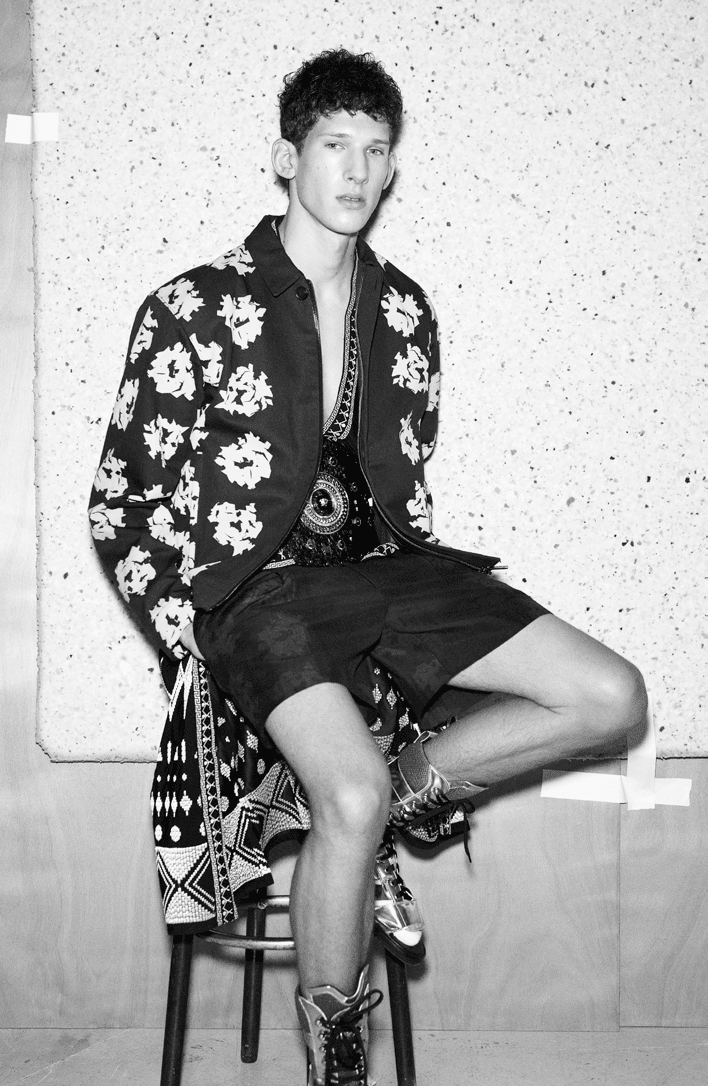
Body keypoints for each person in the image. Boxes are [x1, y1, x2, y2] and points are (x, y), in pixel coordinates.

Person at [89, 48, 647, 1085]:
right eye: (334, 144)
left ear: (393, 167)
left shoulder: (406, 311)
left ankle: (399, 796)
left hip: (388, 570)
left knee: (611, 696)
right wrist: (185, 638)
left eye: (376, 149)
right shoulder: (195, 305)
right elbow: (123, 501)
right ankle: (335, 1053)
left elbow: (405, 479)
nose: (356, 168)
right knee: (343, 798)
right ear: (286, 158)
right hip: (259, 594)